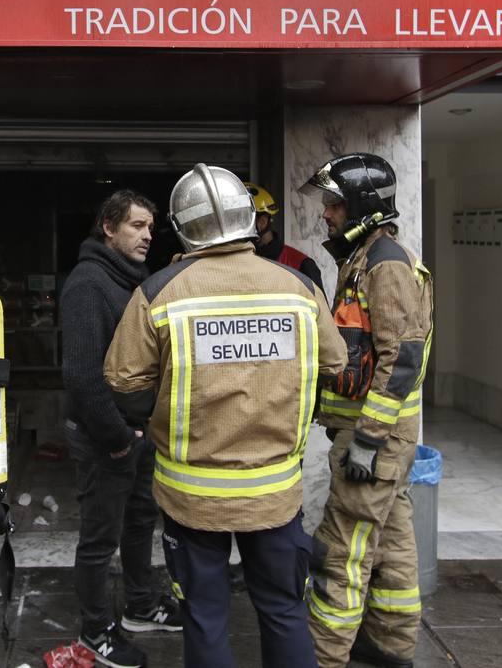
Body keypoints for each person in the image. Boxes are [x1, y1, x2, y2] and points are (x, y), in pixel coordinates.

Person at [103, 164, 348, 668]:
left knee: (205, 617)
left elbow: (122, 380)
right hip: (275, 494)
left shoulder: (159, 291)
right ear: (246, 217)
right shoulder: (299, 288)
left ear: (180, 226)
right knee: (284, 610)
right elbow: (336, 361)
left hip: (193, 498)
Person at [299, 153, 433, 668]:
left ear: (362, 205)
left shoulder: (387, 263)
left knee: (342, 549)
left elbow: (402, 358)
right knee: (394, 540)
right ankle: (391, 645)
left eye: (334, 203)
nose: (326, 214)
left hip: (373, 437)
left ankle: (323, 655)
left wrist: (370, 440)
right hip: (372, 434)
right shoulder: (366, 258)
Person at [61, 190, 182, 668]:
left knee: (138, 523)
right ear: (107, 228)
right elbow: (82, 374)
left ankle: (140, 604)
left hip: (136, 431)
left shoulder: (136, 281)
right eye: (136, 226)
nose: (146, 236)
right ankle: (94, 631)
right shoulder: (89, 284)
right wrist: (115, 438)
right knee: (98, 538)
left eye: (150, 228)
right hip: (105, 436)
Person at [244, 181, 323, 289]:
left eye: (241, 222)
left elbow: (318, 305)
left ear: (262, 222)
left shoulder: (301, 265)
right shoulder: (236, 262)